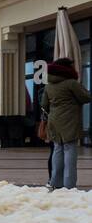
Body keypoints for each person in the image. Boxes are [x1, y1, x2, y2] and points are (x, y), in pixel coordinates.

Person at [40, 57, 90, 189]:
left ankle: (55, 183)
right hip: (69, 121)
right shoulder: (71, 83)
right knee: (70, 151)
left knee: (57, 149)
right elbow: (86, 97)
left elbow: (44, 104)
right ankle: (69, 185)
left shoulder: (48, 85)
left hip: (54, 121)